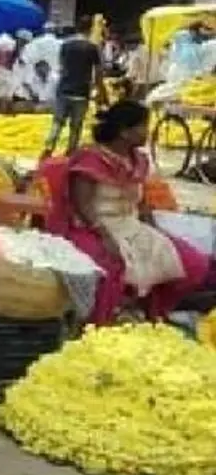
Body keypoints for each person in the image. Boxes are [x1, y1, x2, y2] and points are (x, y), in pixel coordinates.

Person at [46, 101, 209, 324]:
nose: (147, 131)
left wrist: (154, 231)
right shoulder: (91, 159)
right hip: (92, 226)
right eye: (142, 126)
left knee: (191, 262)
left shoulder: (139, 160)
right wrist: (105, 237)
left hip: (129, 225)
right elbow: (82, 204)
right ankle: (99, 324)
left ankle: (151, 311)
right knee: (112, 268)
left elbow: (141, 203)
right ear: (124, 132)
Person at [42, 16, 106, 159]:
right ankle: (70, 155)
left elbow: (62, 67)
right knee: (76, 127)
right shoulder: (92, 48)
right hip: (81, 92)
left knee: (57, 122)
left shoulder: (65, 45)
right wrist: (101, 93)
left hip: (64, 89)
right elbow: (98, 74)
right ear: (90, 29)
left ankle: (48, 149)